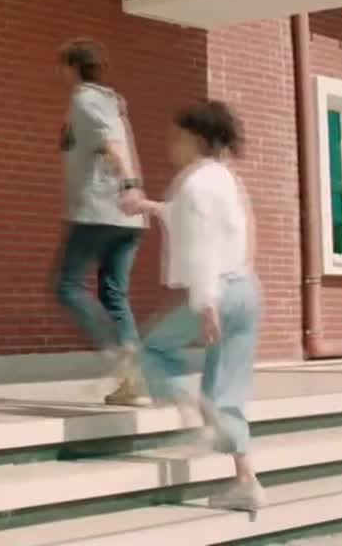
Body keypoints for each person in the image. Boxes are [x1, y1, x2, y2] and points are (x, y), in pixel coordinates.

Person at [123, 100, 264, 512]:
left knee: (150, 350)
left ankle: (190, 410)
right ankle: (246, 480)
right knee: (227, 393)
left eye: (176, 137)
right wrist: (150, 207)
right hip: (246, 289)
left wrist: (205, 303)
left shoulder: (195, 183)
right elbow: (201, 222)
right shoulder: (223, 177)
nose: (171, 144)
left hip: (217, 291)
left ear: (196, 139)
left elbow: (202, 247)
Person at [53, 38, 149, 406]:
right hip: (127, 217)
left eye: (63, 65)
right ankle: (133, 384)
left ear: (71, 66)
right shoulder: (110, 100)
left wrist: (129, 184)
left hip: (101, 210)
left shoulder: (86, 99)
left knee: (68, 286)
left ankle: (123, 353)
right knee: (113, 294)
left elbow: (112, 145)